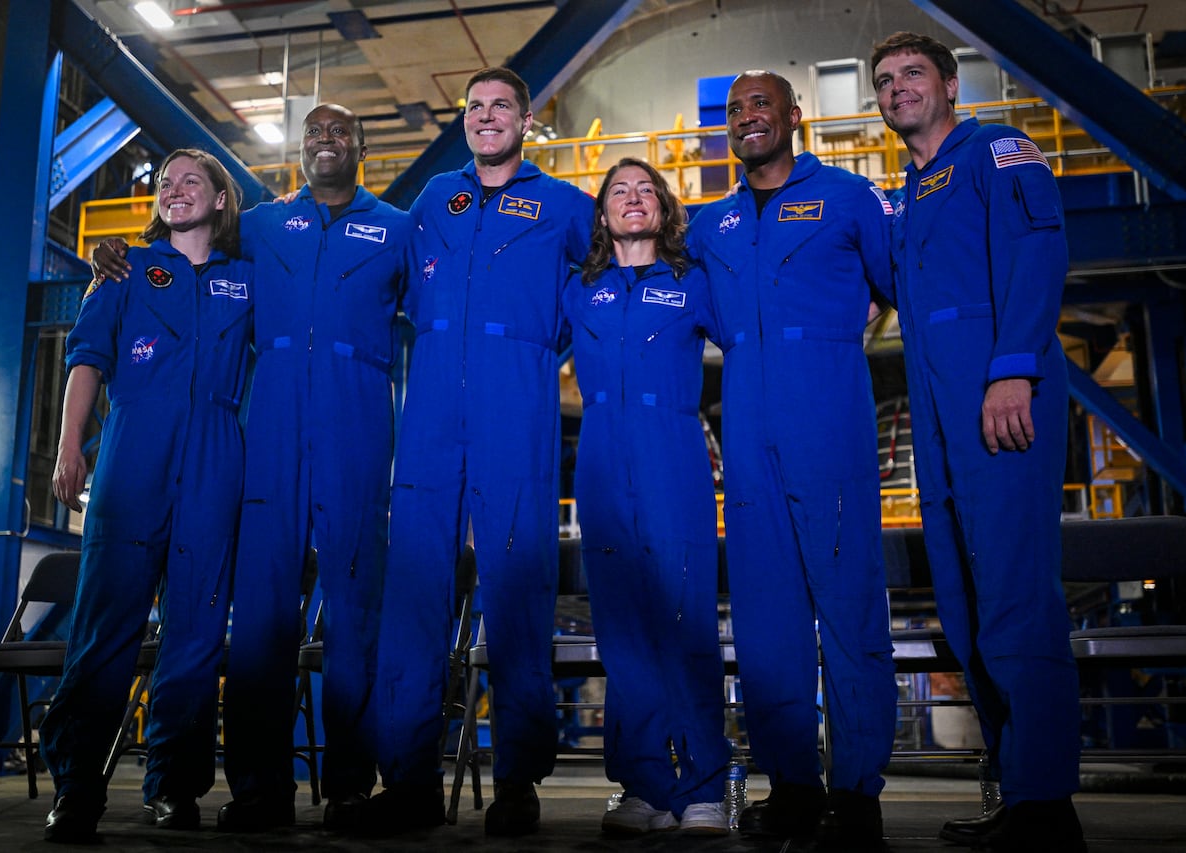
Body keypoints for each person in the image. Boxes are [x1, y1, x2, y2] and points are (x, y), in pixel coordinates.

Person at [91, 104, 409, 834]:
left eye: (341, 131)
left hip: (357, 426)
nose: (327, 141)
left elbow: (443, 306)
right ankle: (261, 786)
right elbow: (187, 253)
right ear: (298, 152)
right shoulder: (263, 226)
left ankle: (352, 784)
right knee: (262, 616)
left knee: (356, 614)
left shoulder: (395, 228)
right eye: (314, 133)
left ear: (361, 145)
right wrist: (121, 253)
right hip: (267, 432)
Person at [366, 67, 593, 838]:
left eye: (501, 106)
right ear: (463, 121)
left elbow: (623, 261)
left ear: (527, 120)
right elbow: (373, 274)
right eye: (475, 108)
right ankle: (408, 782)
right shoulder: (433, 199)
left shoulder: (566, 206)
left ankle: (517, 781)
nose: (487, 117)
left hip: (515, 405)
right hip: (429, 406)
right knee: (415, 595)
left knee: (518, 593)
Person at [871, 32, 1085, 852]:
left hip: (1002, 401)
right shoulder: (911, 191)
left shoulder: (997, 149)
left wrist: (1012, 367)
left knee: (1015, 600)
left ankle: (1045, 807)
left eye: (912, 74)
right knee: (963, 604)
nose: (896, 90)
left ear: (951, 84)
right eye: (884, 82)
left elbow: (1038, 252)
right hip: (937, 413)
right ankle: (1019, 789)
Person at [685, 70, 898, 852]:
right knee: (767, 618)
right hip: (744, 419)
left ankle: (857, 788)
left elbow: (894, 280)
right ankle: (794, 782)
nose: (747, 117)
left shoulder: (848, 196)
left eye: (759, 104)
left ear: (794, 115)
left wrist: (847, 326)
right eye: (735, 109)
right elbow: (696, 314)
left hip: (828, 414)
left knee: (848, 605)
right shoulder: (711, 226)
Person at [41, 149, 251, 843]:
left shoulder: (246, 279)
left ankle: (174, 783)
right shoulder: (124, 269)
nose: (175, 189)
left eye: (192, 180)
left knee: (194, 634)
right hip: (133, 454)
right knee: (106, 626)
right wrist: (72, 446)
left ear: (222, 199)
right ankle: (77, 785)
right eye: (165, 182)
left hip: (216, 457)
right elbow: (86, 361)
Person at [563, 158, 729, 836]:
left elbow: (755, 337)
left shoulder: (693, 284)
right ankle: (643, 784)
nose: (633, 200)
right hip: (600, 457)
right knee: (622, 627)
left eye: (645, 190)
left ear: (663, 208)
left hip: (672, 451)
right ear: (602, 214)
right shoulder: (579, 289)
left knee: (685, 618)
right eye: (618, 192)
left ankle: (704, 786)